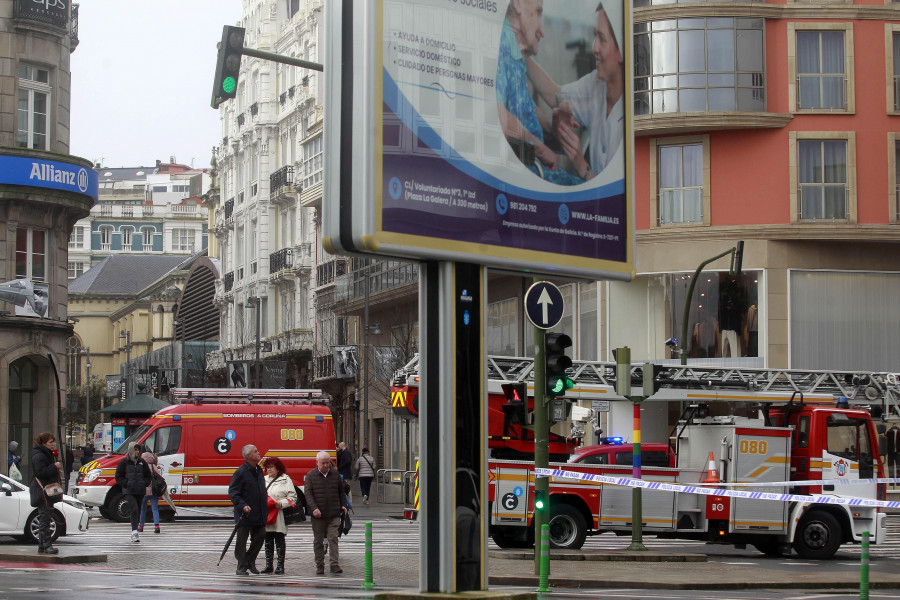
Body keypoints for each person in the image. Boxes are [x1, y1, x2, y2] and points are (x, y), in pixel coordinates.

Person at [525, 1, 624, 181]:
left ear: (621, 53)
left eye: (602, 39)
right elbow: (554, 94)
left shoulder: (630, 117)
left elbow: (611, 196)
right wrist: (522, 56)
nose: (594, 48)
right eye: (594, 36)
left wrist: (580, 164)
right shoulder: (596, 83)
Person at [496, 0, 583, 185]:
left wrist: (554, 128)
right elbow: (497, 113)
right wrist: (541, 149)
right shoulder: (500, 43)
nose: (542, 31)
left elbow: (523, 112)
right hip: (530, 176)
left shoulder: (514, 55)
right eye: (538, 12)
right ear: (518, 4)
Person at [305, 451, 348, 575]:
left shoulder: (335, 474)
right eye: (322, 463)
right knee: (318, 541)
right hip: (318, 515)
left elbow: (342, 492)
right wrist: (314, 509)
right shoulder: (311, 475)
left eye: (327, 463)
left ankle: (334, 564)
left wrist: (343, 505)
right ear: (317, 462)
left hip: (333, 513)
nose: (325, 465)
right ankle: (320, 565)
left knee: (333, 538)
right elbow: (308, 494)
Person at [228, 444, 267, 576]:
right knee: (241, 541)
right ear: (248, 456)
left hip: (258, 512)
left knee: (260, 535)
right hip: (245, 514)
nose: (258, 453)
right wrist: (242, 505)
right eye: (255, 452)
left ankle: (250, 561)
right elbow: (233, 492)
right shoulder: (241, 472)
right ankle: (241, 566)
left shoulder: (258, 470)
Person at [260, 457, 297, 575]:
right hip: (267, 513)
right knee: (268, 540)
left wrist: (280, 504)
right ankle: (268, 565)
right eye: (267, 467)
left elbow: (293, 497)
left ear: (278, 468)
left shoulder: (285, 479)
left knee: (279, 540)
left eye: (271, 467)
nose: (269, 469)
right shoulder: (263, 479)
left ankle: (280, 566)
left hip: (279, 513)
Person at [29, 432, 62, 554]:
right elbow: (40, 472)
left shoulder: (44, 454)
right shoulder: (40, 456)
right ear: (43, 443)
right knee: (45, 518)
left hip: (45, 490)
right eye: (50, 442)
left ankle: (42, 546)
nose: (53, 444)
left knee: (46, 517)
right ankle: (47, 545)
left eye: (53, 442)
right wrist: (54, 466)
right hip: (42, 491)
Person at [115, 442, 152, 543]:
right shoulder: (124, 462)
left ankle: (135, 529)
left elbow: (148, 475)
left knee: (138, 510)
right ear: (131, 450)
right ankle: (134, 531)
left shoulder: (142, 462)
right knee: (134, 509)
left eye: (138, 450)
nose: (137, 452)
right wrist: (126, 484)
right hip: (129, 491)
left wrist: (144, 483)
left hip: (140, 490)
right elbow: (118, 476)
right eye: (135, 450)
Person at [138, 451, 162, 534]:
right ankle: (157, 526)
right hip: (154, 491)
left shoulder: (141, 467)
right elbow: (160, 477)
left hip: (144, 492)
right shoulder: (154, 466)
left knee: (143, 509)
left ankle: (141, 526)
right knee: (155, 509)